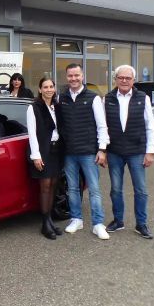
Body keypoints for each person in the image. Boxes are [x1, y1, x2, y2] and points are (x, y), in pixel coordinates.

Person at [56, 63, 111, 240]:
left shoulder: (93, 98)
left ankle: (98, 224)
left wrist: (102, 150)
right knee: (72, 188)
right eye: (70, 76)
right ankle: (76, 219)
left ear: (82, 76)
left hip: (88, 152)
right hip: (69, 152)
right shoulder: (61, 97)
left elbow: (102, 126)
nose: (73, 79)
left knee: (94, 189)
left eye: (76, 75)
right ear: (66, 77)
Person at [104, 65, 154, 239]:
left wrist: (150, 151)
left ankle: (141, 224)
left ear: (133, 80)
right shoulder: (107, 99)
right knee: (115, 189)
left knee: (140, 190)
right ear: (115, 79)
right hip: (114, 151)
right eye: (121, 77)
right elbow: (102, 127)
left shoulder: (143, 98)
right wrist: (102, 150)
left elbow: (150, 126)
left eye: (128, 78)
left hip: (137, 151)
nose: (124, 80)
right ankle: (118, 221)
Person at [27, 77, 63, 240]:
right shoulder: (34, 107)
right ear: (40, 90)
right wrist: (36, 155)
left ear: (54, 89)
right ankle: (44, 223)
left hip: (56, 150)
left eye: (51, 87)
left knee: (54, 184)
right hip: (42, 152)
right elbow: (32, 133)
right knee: (45, 186)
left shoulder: (56, 106)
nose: (49, 89)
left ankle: (50, 220)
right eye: (45, 87)